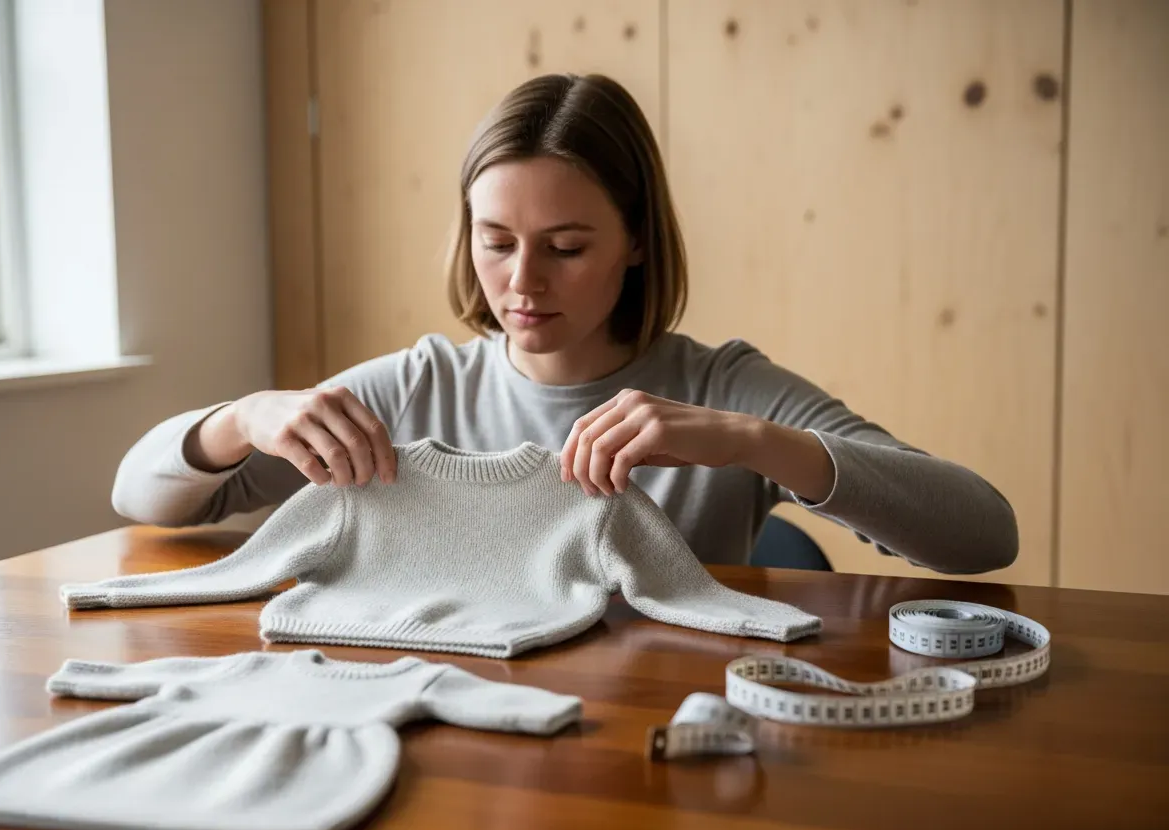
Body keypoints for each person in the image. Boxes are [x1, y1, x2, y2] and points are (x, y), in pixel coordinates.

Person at [112, 73, 1018, 576]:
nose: (523, 281)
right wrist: (239, 420)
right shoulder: (417, 389)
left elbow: (984, 535)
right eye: (496, 241)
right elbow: (140, 503)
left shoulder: (719, 388)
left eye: (568, 246)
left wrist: (751, 442)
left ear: (634, 243)